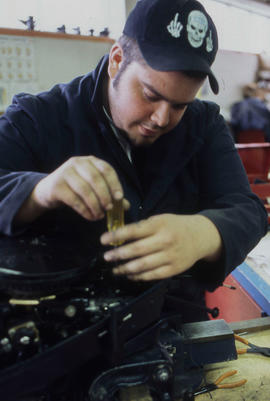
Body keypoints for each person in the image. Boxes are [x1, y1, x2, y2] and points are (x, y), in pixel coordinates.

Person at [0, 0, 268, 323]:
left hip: (173, 328)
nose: (161, 118)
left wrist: (205, 233)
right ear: (116, 61)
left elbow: (248, 210)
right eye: (150, 95)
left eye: (180, 105)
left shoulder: (203, 125)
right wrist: (37, 190)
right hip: (66, 333)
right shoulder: (37, 119)